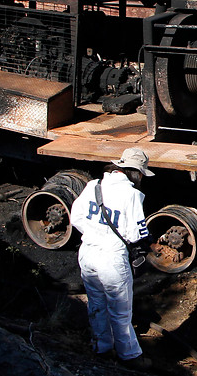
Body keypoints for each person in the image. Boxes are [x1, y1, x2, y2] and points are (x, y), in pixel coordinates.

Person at [69, 148, 154, 370]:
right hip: (112, 258)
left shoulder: (93, 186)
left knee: (96, 304)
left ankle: (102, 348)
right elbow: (137, 234)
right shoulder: (132, 194)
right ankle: (131, 356)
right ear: (136, 173)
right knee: (121, 312)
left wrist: (94, 231)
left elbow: (76, 217)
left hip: (87, 253)